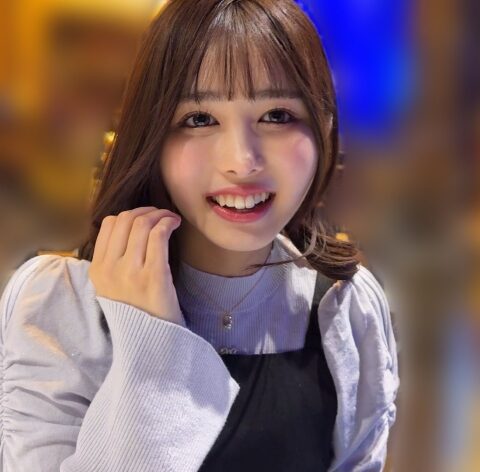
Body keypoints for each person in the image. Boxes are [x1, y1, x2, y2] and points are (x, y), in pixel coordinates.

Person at [0, 1, 399, 471]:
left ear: (324, 126)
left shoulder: (346, 308)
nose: (241, 161)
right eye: (199, 119)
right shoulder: (59, 304)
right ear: (150, 134)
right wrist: (150, 340)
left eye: (277, 115)